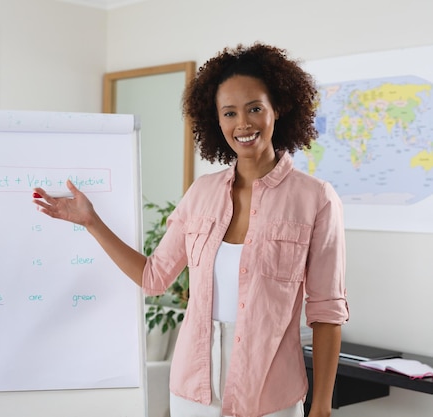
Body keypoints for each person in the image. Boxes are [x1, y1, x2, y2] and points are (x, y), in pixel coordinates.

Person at [32, 42, 349, 417]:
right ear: (216, 121)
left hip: (271, 393)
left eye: (254, 109)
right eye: (229, 113)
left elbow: (327, 311)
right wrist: (91, 221)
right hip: (193, 389)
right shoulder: (201, 194)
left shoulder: (316, 199)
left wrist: (323, 406)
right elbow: (153, 278)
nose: (243, 124)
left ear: (277, 109)